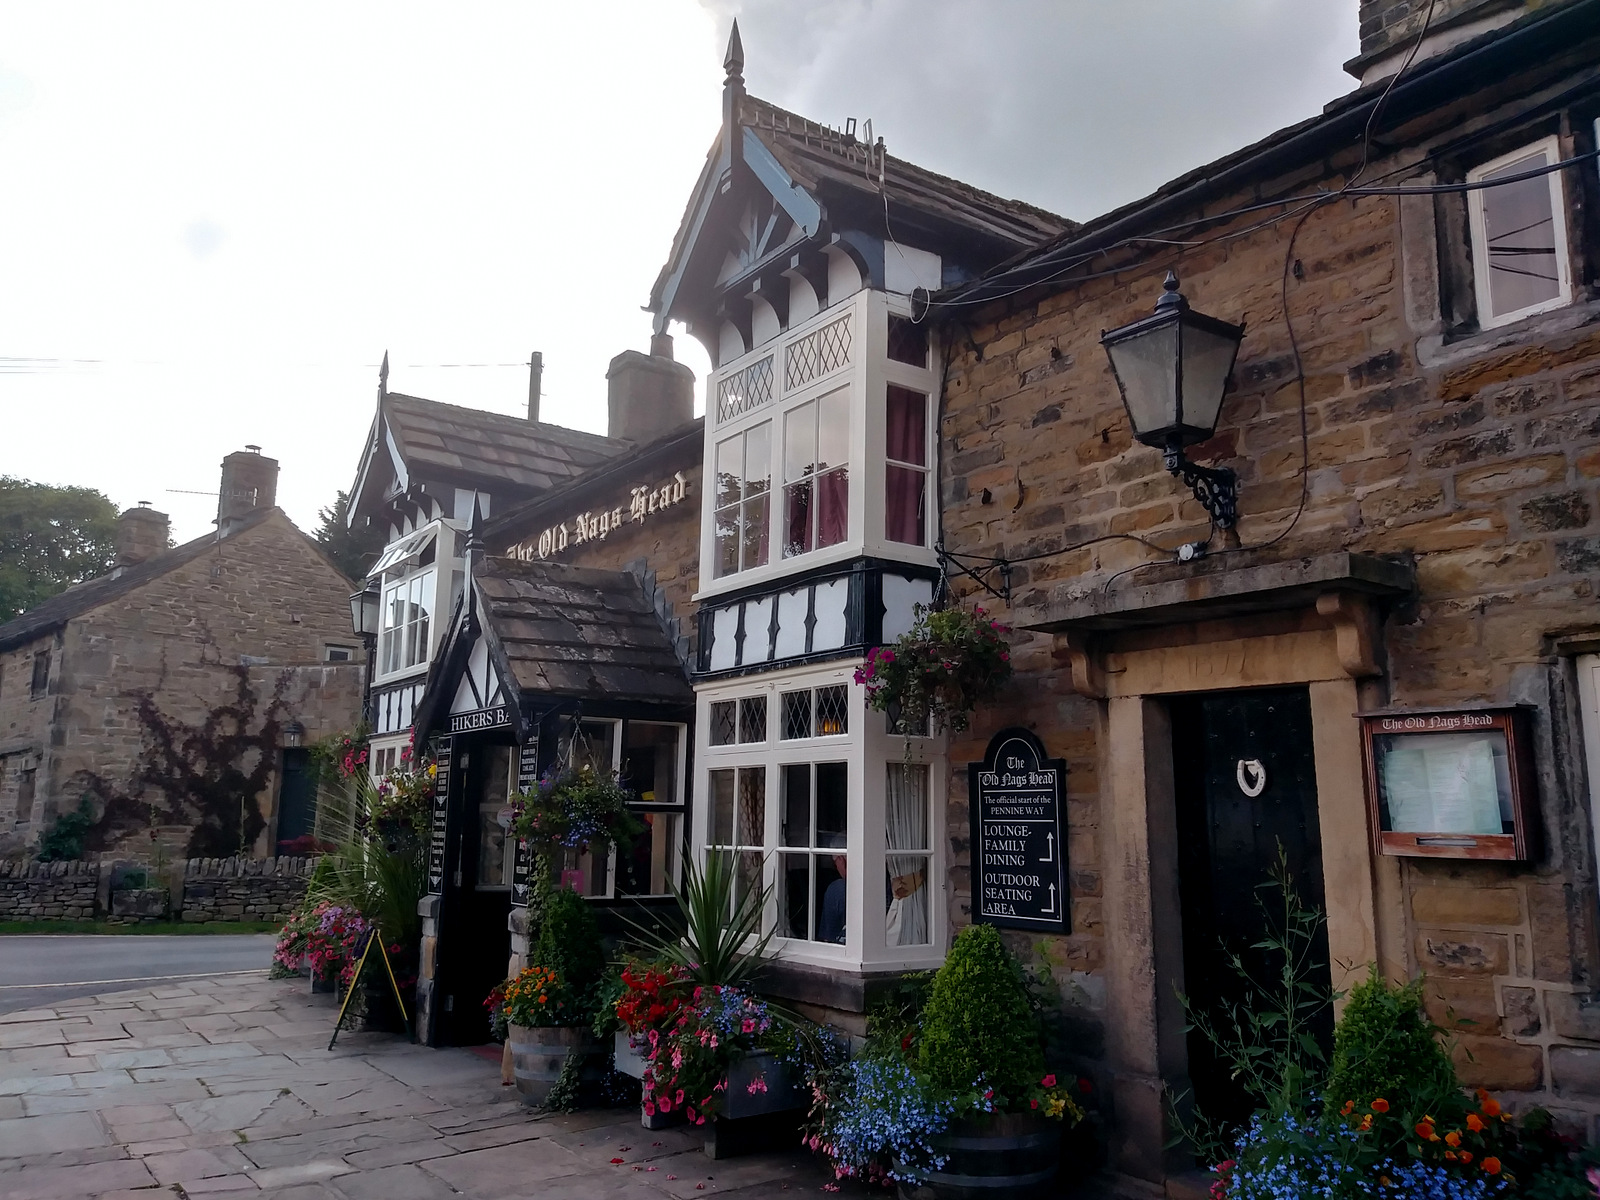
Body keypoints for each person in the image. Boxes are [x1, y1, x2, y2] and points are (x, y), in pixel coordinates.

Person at [817, 854, 847, 944]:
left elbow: (828, 939)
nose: (836, 868)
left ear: (841, 859)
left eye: (835, 863)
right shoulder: (880, 887)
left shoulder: (837, 889)